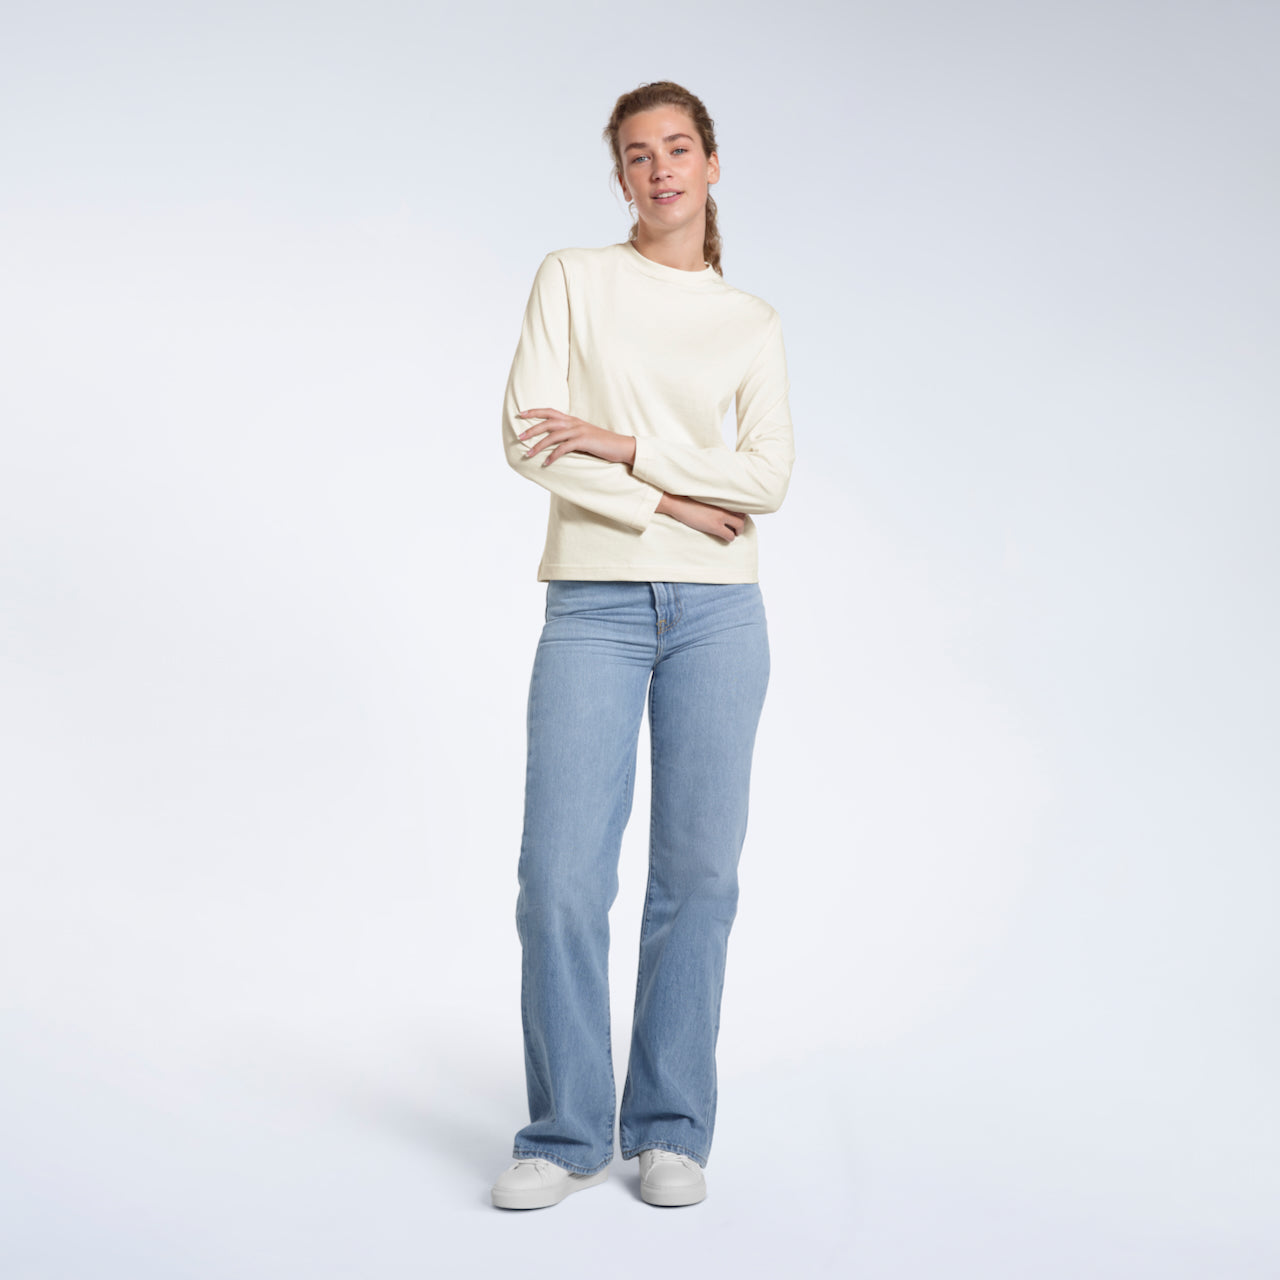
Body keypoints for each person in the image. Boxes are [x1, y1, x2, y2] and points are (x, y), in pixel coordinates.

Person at [490, 80, 795, 1211]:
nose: (658, 169)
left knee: (697, 879)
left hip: (720, 612)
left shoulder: (748, 322)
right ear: (617, 177)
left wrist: (621, 445)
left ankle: (669, 1125)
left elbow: (765, 478)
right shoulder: (572, 279)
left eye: (677, 148)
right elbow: (529, 437)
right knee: (559, 876)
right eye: (635, 154)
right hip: (595, 601)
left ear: (711, 164)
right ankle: (566, 1130)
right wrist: (669, 498)